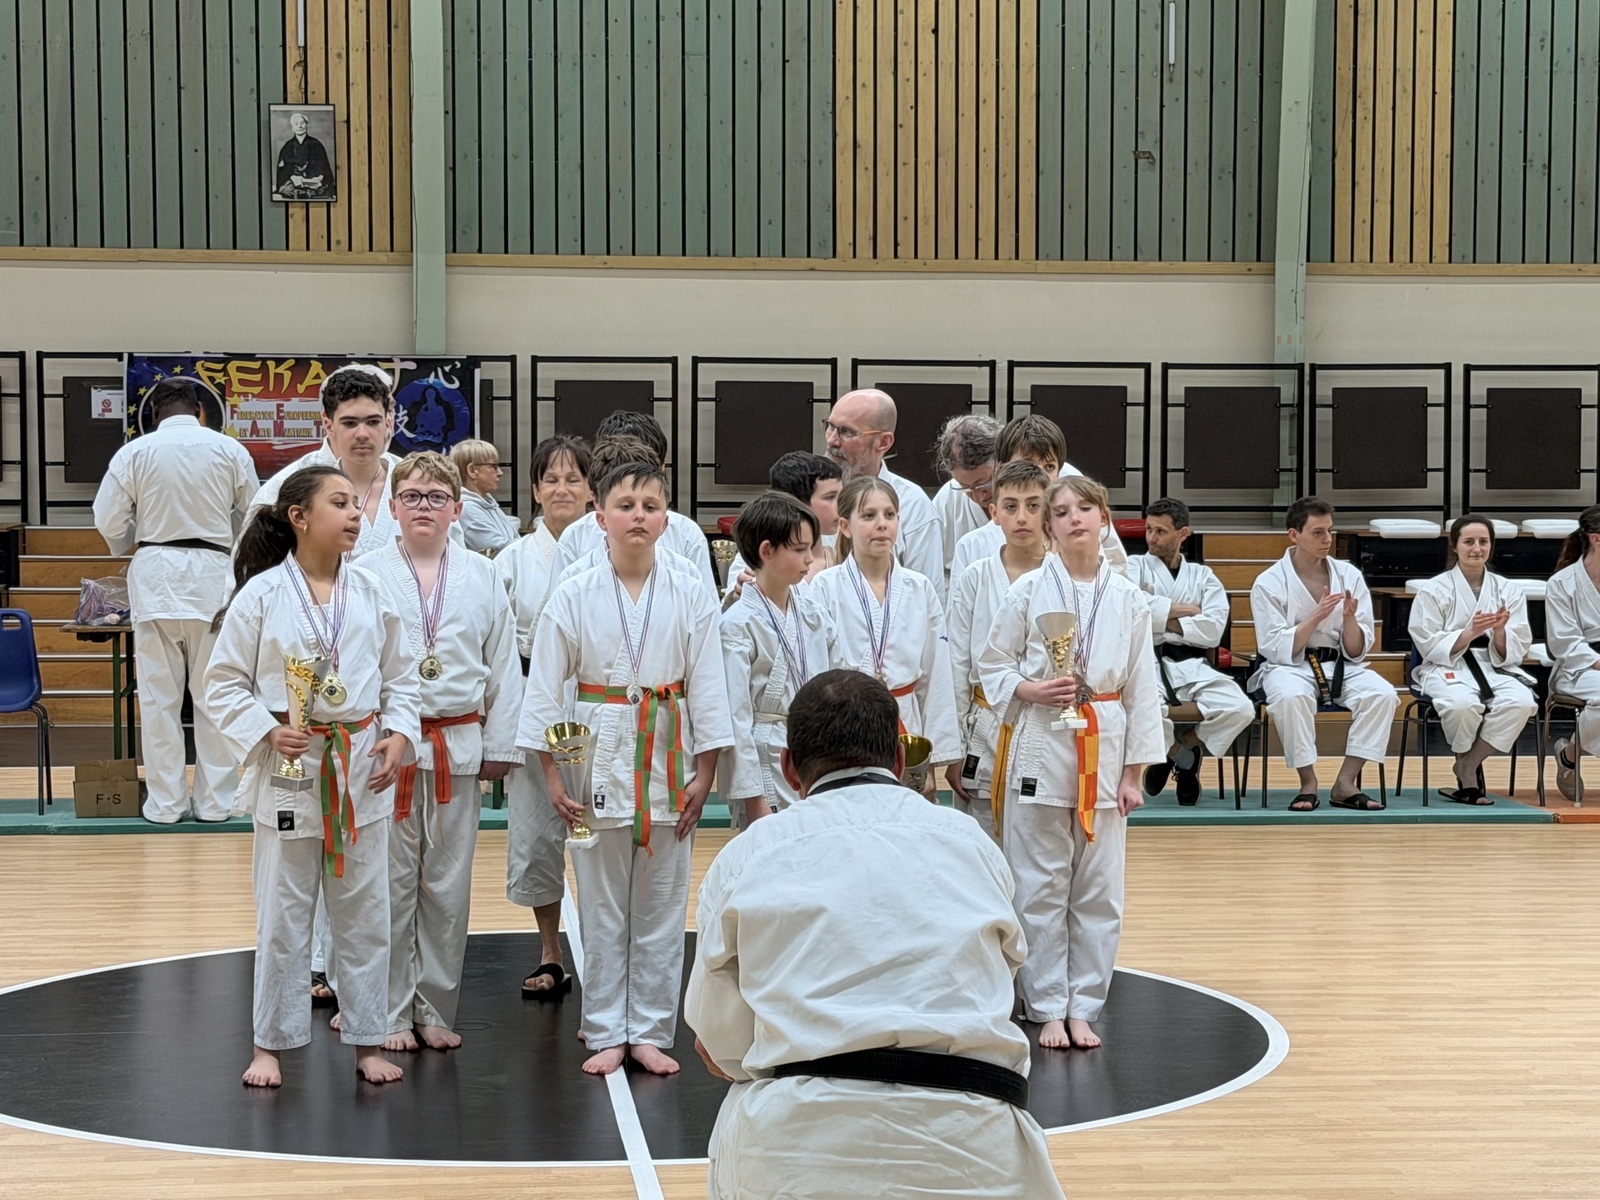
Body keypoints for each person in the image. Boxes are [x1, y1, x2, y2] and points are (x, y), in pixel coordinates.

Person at [685, 670, 1066, 1200]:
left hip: (798, 1149)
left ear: (789, 769)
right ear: (900, 760)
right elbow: (1000, 980)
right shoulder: (972, 843)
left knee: (747, 1102)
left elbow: (718, 1042)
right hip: (976, 1140)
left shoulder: (747, 856)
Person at [202, 465, 421, 1088]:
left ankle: (368, 1041)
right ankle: (268, 1046)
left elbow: (401, 677)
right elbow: (222, 684)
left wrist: (399, 734)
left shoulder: (372, 591)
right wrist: (266, 730)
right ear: (299, 517)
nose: (354, 514)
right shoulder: (262, 595)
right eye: (339, 503)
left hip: (359, 763)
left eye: (355, 503)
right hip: (291, 763)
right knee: (283, 915)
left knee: (366, 916)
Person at [519, 458, 733, 1076]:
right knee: (601, 902)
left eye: (650, 506)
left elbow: (709, 686)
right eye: (625, 505)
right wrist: (553, 776)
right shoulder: (574, 591)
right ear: (600, 516)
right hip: (596, 749)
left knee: (663, 904)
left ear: (667, 518)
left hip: (668, 747)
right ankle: (607, 1027)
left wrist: (705, 774)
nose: (638, 516)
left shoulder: (690, 589)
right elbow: (544, 692)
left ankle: (650, 1030)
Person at [977, 473, 1162, 1051]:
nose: (1074, 517)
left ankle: (1084, 1006)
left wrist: (1134, 773)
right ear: (1049, 528)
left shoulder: (1129, 599)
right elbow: (991, 663)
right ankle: (1046, 1005)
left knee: (1099, 890)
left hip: (1105, 740)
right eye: (1061, 511)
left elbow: (1143, 688)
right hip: (1041, 739)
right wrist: (1029, 689)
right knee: (1039, 885)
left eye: (1086, 508)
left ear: (1104, 520)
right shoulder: (1027, 591)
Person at [354, 453, 522, 1050]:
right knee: (389, 882)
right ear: (393, 507)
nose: (423, 506)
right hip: (387, 749)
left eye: (436, 497)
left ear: (457, 508)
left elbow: (503, 665)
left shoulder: (484, 574)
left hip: (458, 741)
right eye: (412, 496)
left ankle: (434, 1008)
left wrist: (501, 745)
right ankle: (389, 1010)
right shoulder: (364, 573)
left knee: (447, 886)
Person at [92, 377, 257, 824]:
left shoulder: (134, 452)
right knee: (214, 696)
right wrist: (230, 545)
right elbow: (253, 514)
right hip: (213, 577)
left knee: (158, 700)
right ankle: (216, 803)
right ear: (200, 411)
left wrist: (129, 538)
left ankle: (166, 804)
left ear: (153, 414)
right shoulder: (230, 450)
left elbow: (107, 518)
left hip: (156, 574)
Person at [495, 435, 591, 998]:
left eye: (573, 479)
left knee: (599, 830)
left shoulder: (606, 554)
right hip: (532, 693)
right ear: (534, 490)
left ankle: (603, 951)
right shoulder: (511, 560)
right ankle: (550, 952)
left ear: (591, 490)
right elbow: (497, 649)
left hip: (594, 699)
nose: (562, 489)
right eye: (550, 479)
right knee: (536, 833)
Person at [811, 476, 961, 797]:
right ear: (845, 526)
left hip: (906, 719)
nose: (881, 524)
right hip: (845, 721)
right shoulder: (824, 587)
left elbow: (936, 676)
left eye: (889, 515)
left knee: (907, 815)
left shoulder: (919, 588)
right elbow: (815, 672)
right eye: (869, 516)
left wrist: (931, 761)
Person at [1247, 497, 1397, 812]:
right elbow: (1273, 646)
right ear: (1294, 535)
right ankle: (1308, 782)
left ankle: (1346, 782)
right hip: (1289, 666)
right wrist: (1316, 616)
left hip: (1340, 664)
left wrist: (1349, 619)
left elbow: (1356, 650)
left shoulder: (1349, 575)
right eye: (1318, 532)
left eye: (1329, 530)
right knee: (1290, 697)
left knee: (1383, 694)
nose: (1327, 539)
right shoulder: (1268, 582)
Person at [719, 491, 838, 828]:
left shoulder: (814, 614)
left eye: (811, 549)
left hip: (816, 748)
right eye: (799, 549)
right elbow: (736, 718)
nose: (809, 559)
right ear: (767, 551)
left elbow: (838, 678)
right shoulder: (737, 624)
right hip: (765, 754)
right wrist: (752, 796)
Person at [945, 460, 1051, 837]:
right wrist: (953, 747)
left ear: (1049, 511)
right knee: (979, 839)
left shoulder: (1063, 576)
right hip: (985, 720)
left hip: (1043, 725)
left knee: (1038, 841)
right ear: (994, 513)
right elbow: (957, 661)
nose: (1021, 516)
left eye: (1033, 505)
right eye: (1010, 506)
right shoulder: (975, 577)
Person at [1129, 498, 1255, 805]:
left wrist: (1160, 617)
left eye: (1161, 531)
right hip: (1148, 662)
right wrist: (1184, 611)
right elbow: (1129, 611)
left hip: (1193, 665)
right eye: (1149, 529)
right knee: (1138, 710)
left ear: (1183, 533)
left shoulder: (1203, 576)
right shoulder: (1134, 566)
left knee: (1241, 708)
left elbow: (1212, 630)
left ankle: (1186, 744)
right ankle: (1180, 757)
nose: (1152, 538)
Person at [251, 365, 445, 562]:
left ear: (388, 422)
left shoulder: (421, 483)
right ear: (328, 424)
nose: (362, 434)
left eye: (372, 422)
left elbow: (452, 562)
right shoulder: (284, 489)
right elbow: (253, 568)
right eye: (349, 423)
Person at [1405, 514, 1536, 805]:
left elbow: (1518, 645)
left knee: (1521, 702)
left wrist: (1499, 632)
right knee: (1461, 705)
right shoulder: (1433, 590)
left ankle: (1468, 764)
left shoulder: (1508, 590)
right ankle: (1467, 774)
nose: (1477, 548)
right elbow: (1426, 642)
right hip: (1447, 664)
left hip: (1493, 664)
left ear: (1491, 546)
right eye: (1469, 542)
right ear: (1454, 546)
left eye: (1483, 542)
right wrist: (1469, 633)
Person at [948, 414, 1129, 581]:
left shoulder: (1079, 530)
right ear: (1002, 468)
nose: (1040, 476)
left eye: (1049, 467)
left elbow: (1113, 580)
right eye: (1028, 465)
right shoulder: (972, 546)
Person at [553, 410, 717, 594]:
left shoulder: (687, 537)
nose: (638, 515)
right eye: (625, 505)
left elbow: (707, 608)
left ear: (661, 470)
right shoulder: (576, 537)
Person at [822, 388, 945, 596]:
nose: (832, 440)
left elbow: (928, 597)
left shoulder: (913, 505)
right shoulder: (807, 495)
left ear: (883, 442)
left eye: (846, 432)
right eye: (830, 427)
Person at [1538, 506, 1600, 801]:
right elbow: (1564, 642)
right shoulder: (1562, 583)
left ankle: (1569, 755)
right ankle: (1572, 757)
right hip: (1579, 668)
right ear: (1597, 539)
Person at [724, 450, 843, 586]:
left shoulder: (846, 550)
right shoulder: (755, 561)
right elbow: (733, 597)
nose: (841, 505)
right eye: (830, 497)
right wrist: (737, 592)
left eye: (841, 496)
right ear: (796, 503)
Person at [931, 413, 1001, 582]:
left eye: (983, 482)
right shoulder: (948, 498)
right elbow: (937, 572)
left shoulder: (1044, 482)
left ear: (1003, 460)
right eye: (966, 487)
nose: (978, 496)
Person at [449, 438, 521, 554]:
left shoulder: (486, 502)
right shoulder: (467, 509)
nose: (500, 473)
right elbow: (499, 550)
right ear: (472, 471)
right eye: (494, 467)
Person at [274, 111, 333, 199]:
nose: (300, 126)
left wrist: (319, 177)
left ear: (307, 125)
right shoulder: (288, 146)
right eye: (296, 124)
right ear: (292, 128)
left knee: (323, 189)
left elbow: (323, 165)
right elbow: (284, 169)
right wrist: (293, 177)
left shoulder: (316, 144)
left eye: (302, 123)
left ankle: (309, 192)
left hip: (314, 179)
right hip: (294, 181)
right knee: (287, 190)